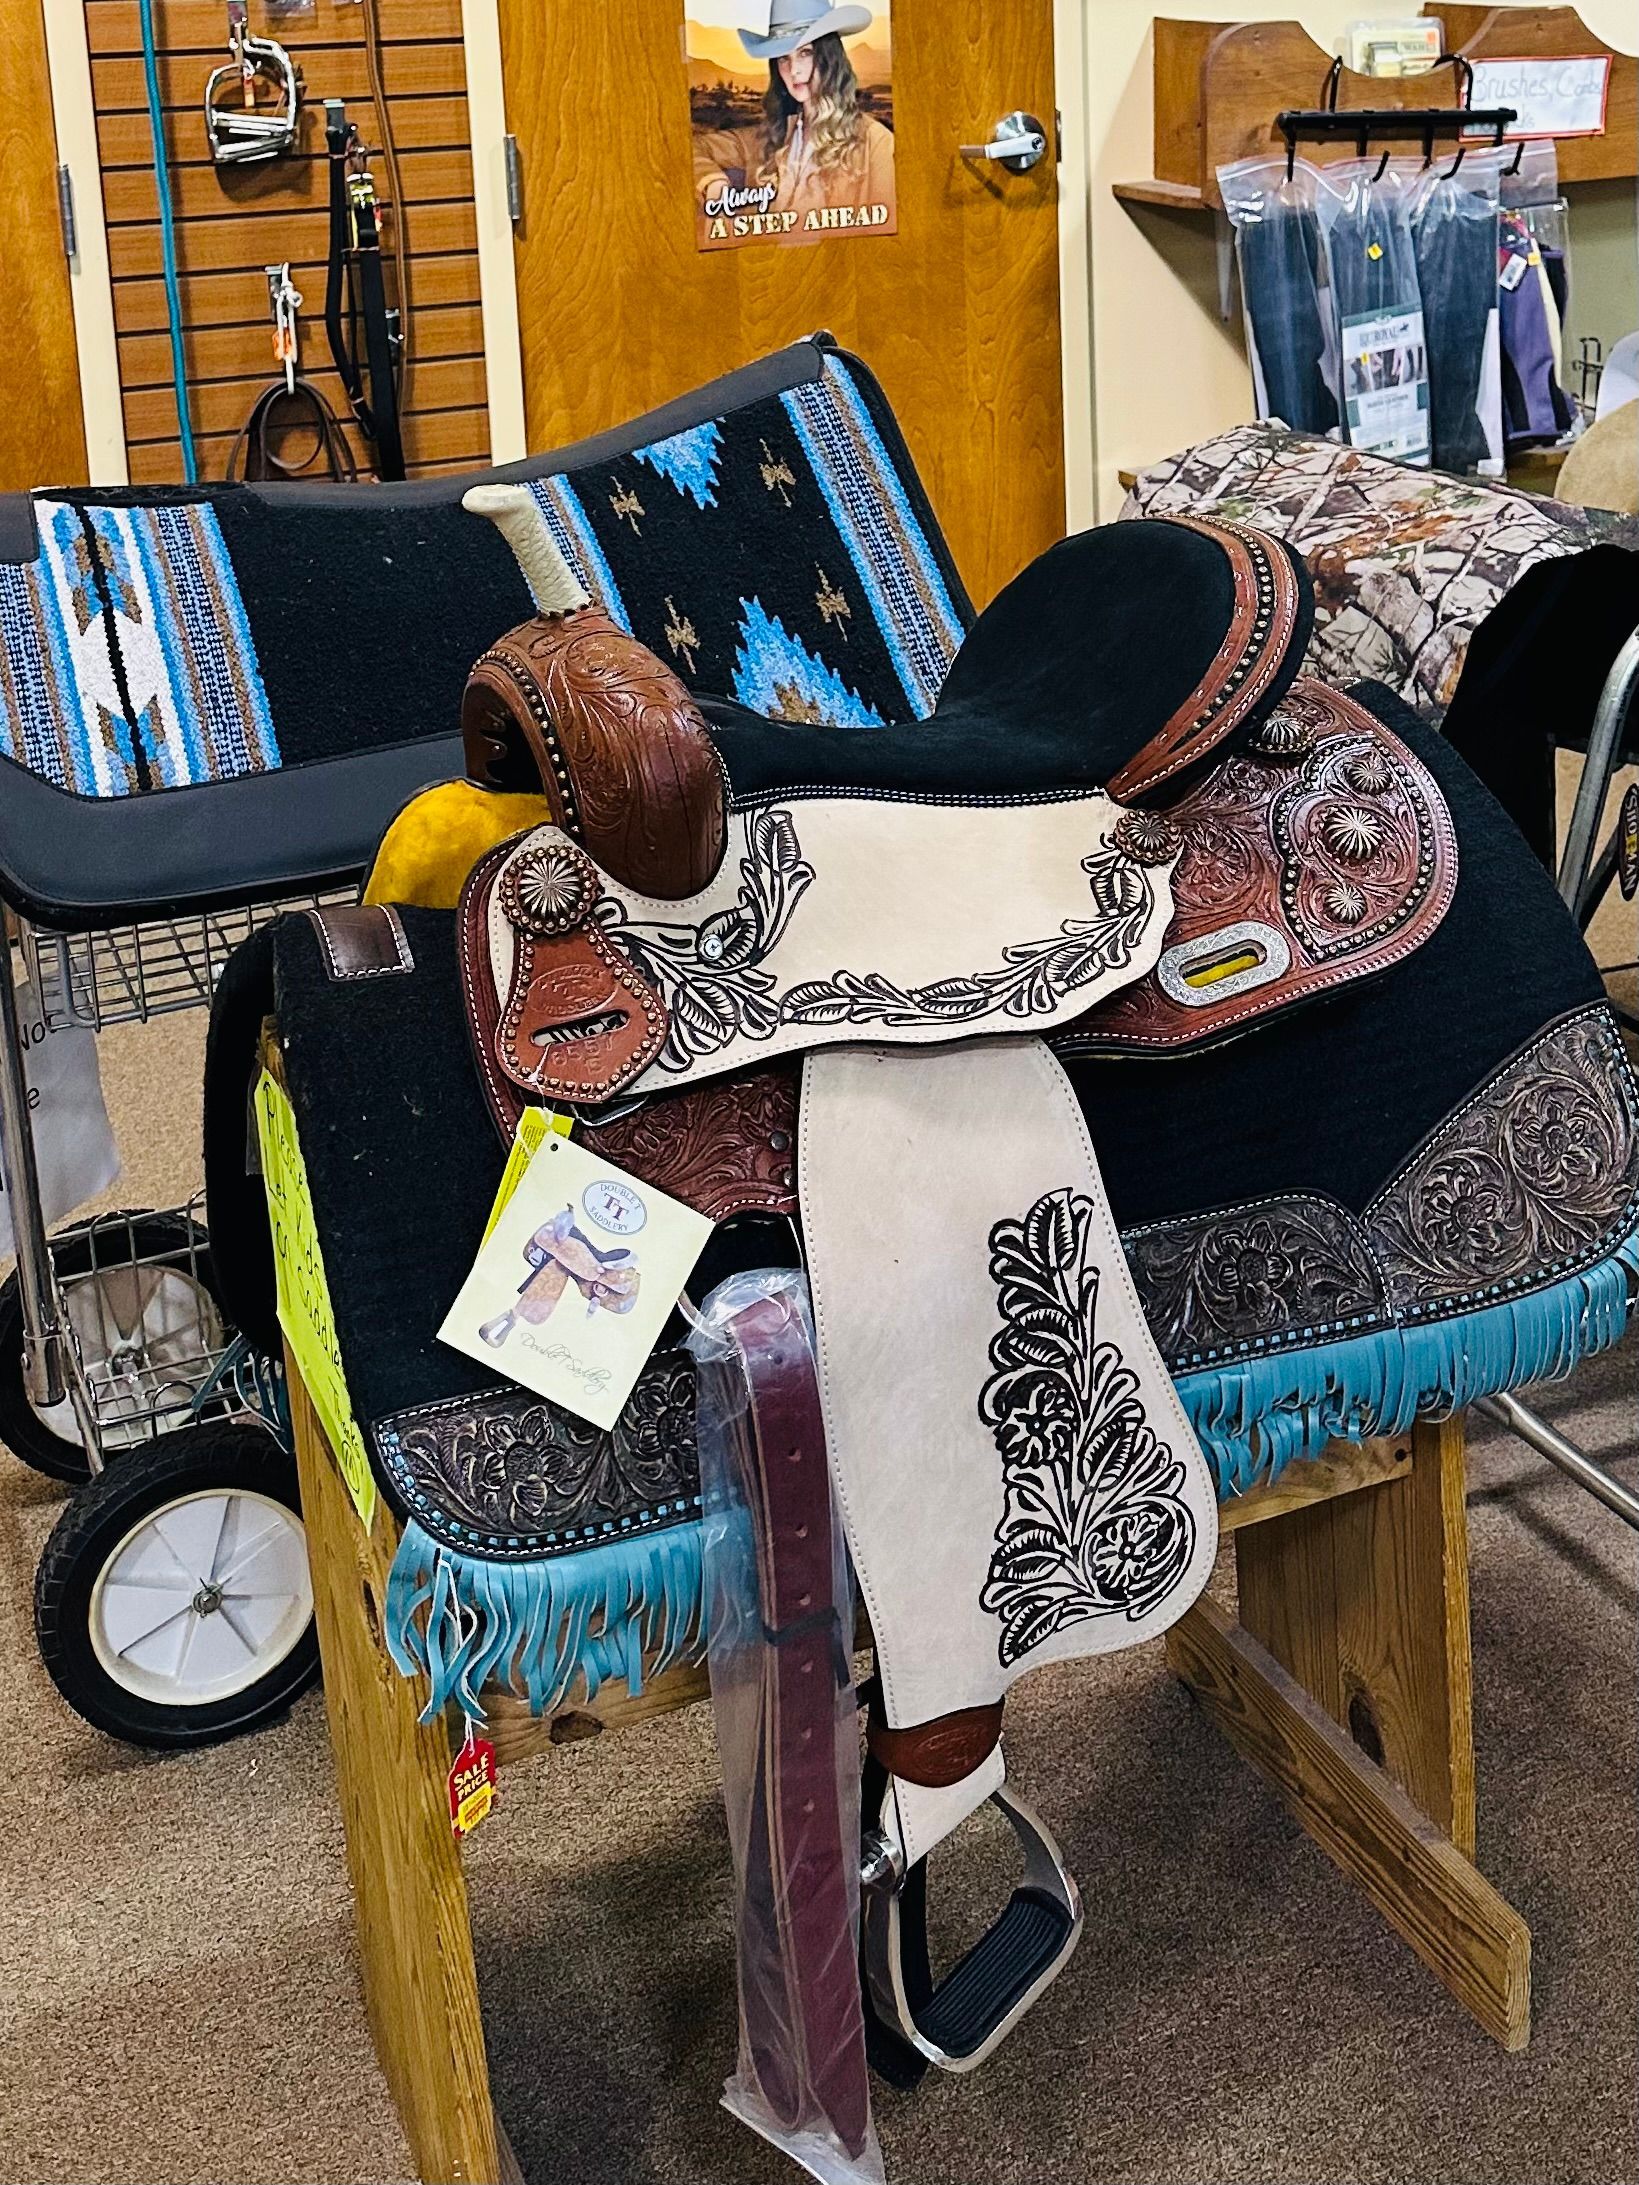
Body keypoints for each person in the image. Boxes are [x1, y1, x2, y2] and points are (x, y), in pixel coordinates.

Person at [694, 1, 894, 224]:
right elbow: (692, 148)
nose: (794, 70)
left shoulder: (875, 144)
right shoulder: (769, 139)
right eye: (783, 58)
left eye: (805, 53)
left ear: (831, 58)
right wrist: (714, 184)